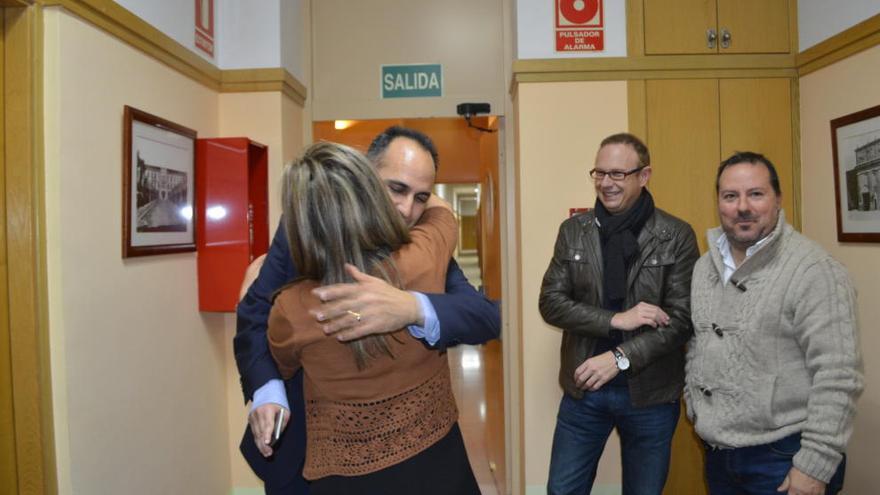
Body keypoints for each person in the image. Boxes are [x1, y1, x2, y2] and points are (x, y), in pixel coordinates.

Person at [235, 126, 500, 493]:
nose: (407, 209)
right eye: (396, 189)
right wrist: (266, 388)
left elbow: (483, 315)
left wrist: (412, 307)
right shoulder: (301, 227)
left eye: (421, 196)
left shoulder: (420, 244)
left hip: (424, 442)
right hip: (307, 449)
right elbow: (253, 314)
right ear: (363, 176)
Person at [685, 151, 863, 495]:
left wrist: (814, 465)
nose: (743, 207)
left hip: (785, 458)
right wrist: (695, 405)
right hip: (719, 457)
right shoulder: (703, 267)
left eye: (756, 194)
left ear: (778, 199)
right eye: (730, 196)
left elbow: (839, 375)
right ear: (719, 202)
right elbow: (698, 341)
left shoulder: (814, 270)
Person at [539, 132, 699, 495]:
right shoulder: (573, 232)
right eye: (599, 173)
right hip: (584, 390)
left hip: (651, 394)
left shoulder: (675, 235)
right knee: (562, 490)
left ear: (644, 176)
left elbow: (681, 321)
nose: (606, 183)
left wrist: (620, 357)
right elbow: (550, 302)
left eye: (617, 174)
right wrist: (615, 319)